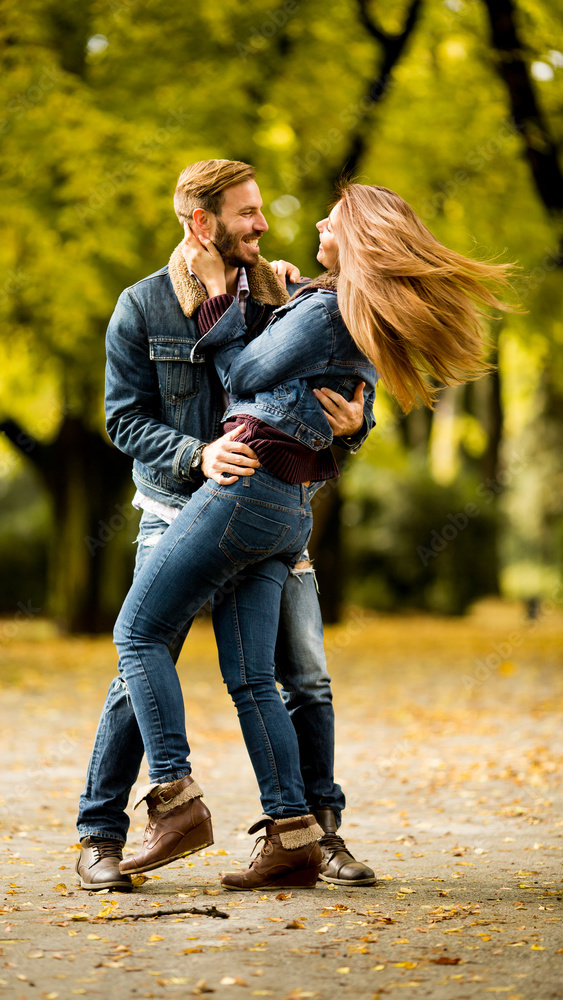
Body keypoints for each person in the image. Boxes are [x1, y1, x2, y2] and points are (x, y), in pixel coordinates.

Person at [113, 179, 514, 891]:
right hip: (289, 503)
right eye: (253, 214)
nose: (306, 224)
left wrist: (221, 293)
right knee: (250, 677)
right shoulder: (325, 300)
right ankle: (293, 832)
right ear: (205, 221)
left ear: (357, 234)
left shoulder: (328, 305)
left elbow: (242, 371)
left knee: (139, 637)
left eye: (332, 216)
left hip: (249, 492)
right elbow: (300, 387)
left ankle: (175, 804)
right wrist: (280, 306)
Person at [76, 160, 377, 894]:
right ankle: (101, 835)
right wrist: (197, 453)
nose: (263, 223)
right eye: (246, 213)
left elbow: (330, 383)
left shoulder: (285, 290)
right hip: (177, 506)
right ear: (200, 224)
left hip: (268, 509)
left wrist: (357, 424)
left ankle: (309, 832)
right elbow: (122, 419)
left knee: (296, 677)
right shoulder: (141, 306)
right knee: (136, 670)